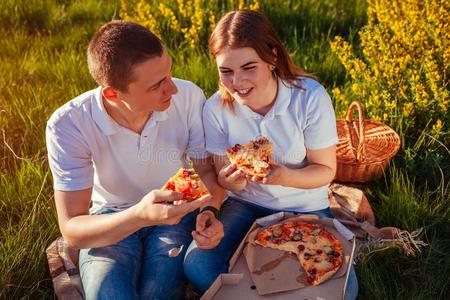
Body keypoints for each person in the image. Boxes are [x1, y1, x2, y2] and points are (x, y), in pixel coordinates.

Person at [183, 10, 358, 299]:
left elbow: (326, 171)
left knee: (343, 291)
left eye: (248, 67)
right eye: (225, 71)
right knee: (197, 265)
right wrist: (232, 183)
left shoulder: (310, 97)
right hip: (245, 205)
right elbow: (224, 180)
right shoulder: (216, 108)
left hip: (305, 206)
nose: (237, 82)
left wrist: (282, 175)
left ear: (272, 58)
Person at [45, 20, 225, 300]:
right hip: (112, 218)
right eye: (157, 85)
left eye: (170, 73)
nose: (173, 89)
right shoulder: (69, 124)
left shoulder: (188, 97)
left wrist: (209, 211)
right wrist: (139, 216)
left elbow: (205, 169)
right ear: (112, 94)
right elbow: (73, 230)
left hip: (175, 212)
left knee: (157, 293)